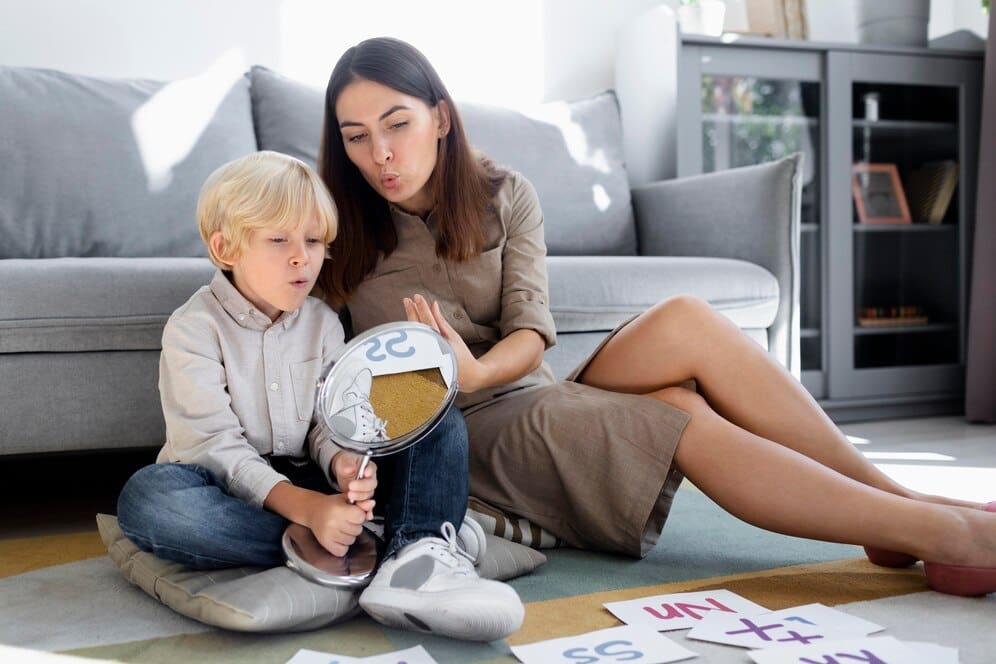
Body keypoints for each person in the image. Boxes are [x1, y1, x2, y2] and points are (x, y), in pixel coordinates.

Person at [316, 36, 996, 598]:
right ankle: (943, 533)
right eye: (356, 136)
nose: (380, 155)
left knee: (687, 320)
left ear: (439, 117)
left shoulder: (502, 193)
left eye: (396, 124)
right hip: (464, 430)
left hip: (525, 379)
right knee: (679, 412)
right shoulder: (332, 228)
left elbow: (530, 330)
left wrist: (481, 366)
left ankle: (898, 503)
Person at [116, 150, 525, 641]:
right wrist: (309, 510)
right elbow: (211, 446)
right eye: (279, 240)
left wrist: (346, 463)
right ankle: (386, 538)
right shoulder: (193, 329)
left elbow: (330, 422)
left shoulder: (323, 322)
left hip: (316, 479)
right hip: (228, 486)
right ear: (226, 249)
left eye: (314, 241)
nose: (301, 257)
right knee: (150, 501)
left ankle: (415, 552)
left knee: (431, 409)